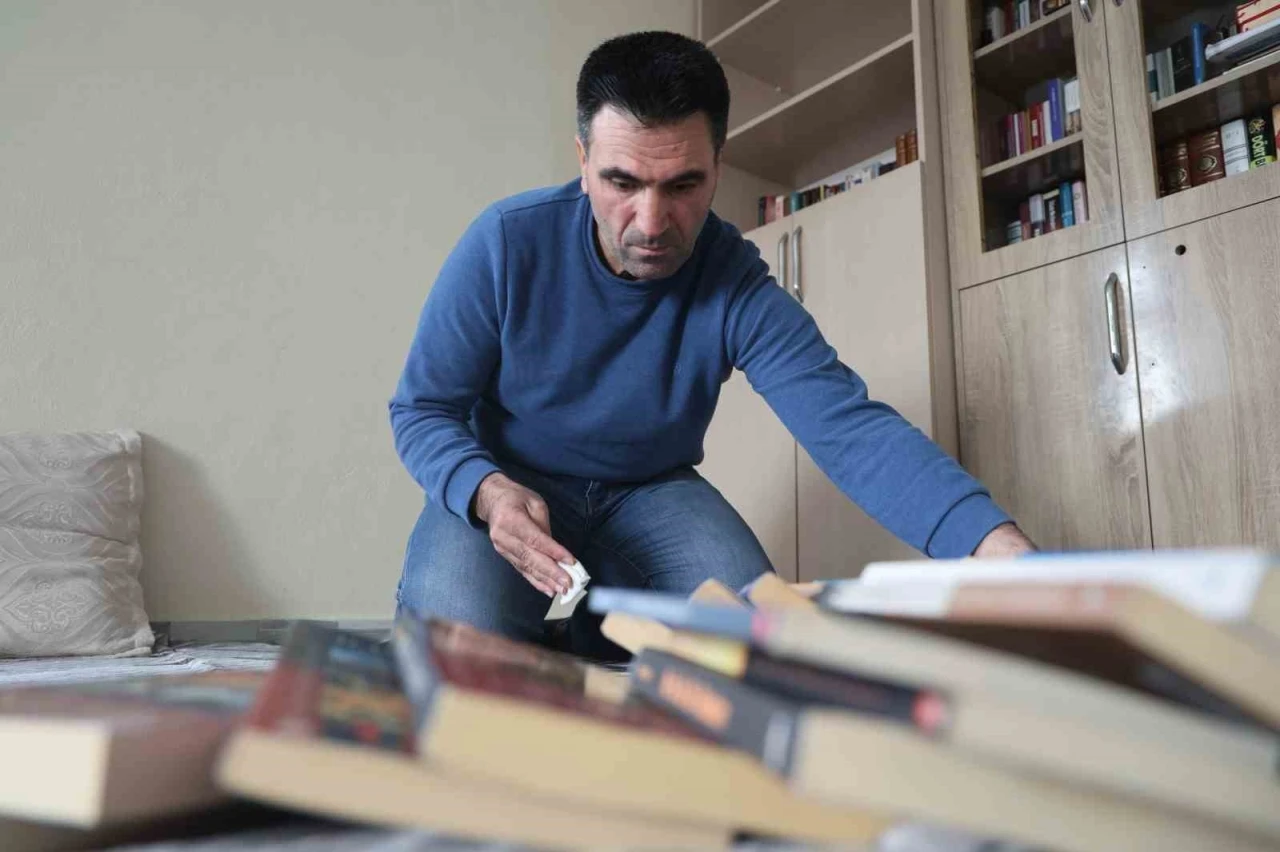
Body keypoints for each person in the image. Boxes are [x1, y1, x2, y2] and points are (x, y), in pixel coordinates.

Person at [389, 30, 1034, 659]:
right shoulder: (505, 242)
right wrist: (485, 491)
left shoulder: (734, 280)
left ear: (718, 168)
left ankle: (585, 628)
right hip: (509, 480)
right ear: (582, 163)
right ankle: (567, 623)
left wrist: (995, 548)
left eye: (682, 186)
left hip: (651, 491)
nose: (651, 224)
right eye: (622, 183)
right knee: (451, 653)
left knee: (756, 642)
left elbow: (849, 428)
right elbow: (422, 409)